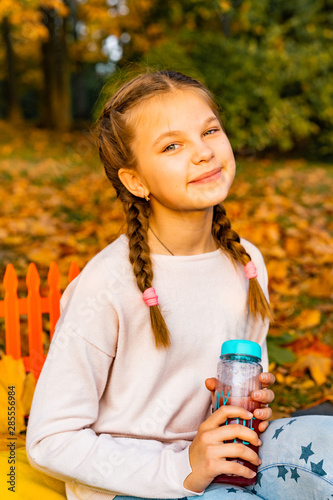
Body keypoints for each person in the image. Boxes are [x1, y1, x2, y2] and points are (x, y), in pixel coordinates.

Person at [26, 70, 333, 500]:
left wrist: (250, 403)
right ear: (135, 181)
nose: (204, 152)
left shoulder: (245, 262)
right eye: (173, 145)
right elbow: (49, 439)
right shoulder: (107, 285)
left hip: (223, 456)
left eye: (209, 131)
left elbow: (245, 379)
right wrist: (183, 466)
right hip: (131, 484)